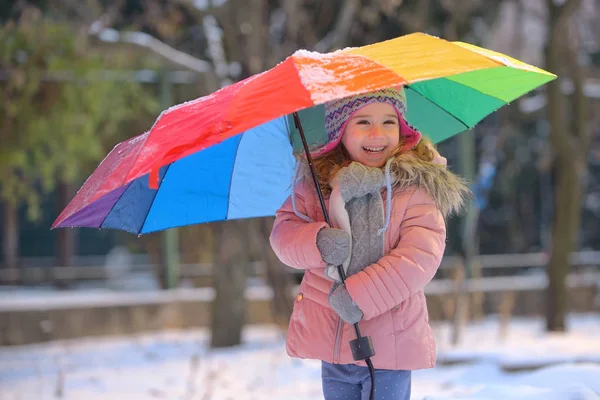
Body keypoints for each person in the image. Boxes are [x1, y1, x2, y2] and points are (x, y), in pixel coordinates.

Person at [269, 86, 470, 400]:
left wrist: (359, 296)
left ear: (403, 130)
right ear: (340, 132)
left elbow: (419, 258)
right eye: (363, 122)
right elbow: (284, 234)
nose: (377, 133)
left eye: (389, 122)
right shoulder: (315, 186)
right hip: (333, 342)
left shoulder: (414, 189)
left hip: (390, 346)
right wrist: (317, 241)